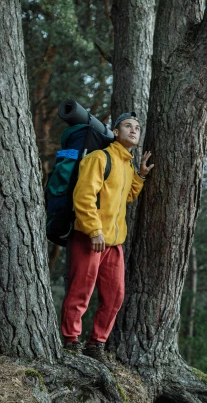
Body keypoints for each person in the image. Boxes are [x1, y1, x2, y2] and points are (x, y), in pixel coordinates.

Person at [61, 113, 154, 362]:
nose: (133, 130)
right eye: (127, 126)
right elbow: (83, 197)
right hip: (90, 238)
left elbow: (128, 196)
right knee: (81, 291)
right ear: (115, 132)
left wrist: (140, 175)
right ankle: (71, 342)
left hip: (114, 243)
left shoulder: (126, 164)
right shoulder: (99, 158)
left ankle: (96, 344)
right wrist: (94, 230)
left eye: (137, 127)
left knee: (115, 295)